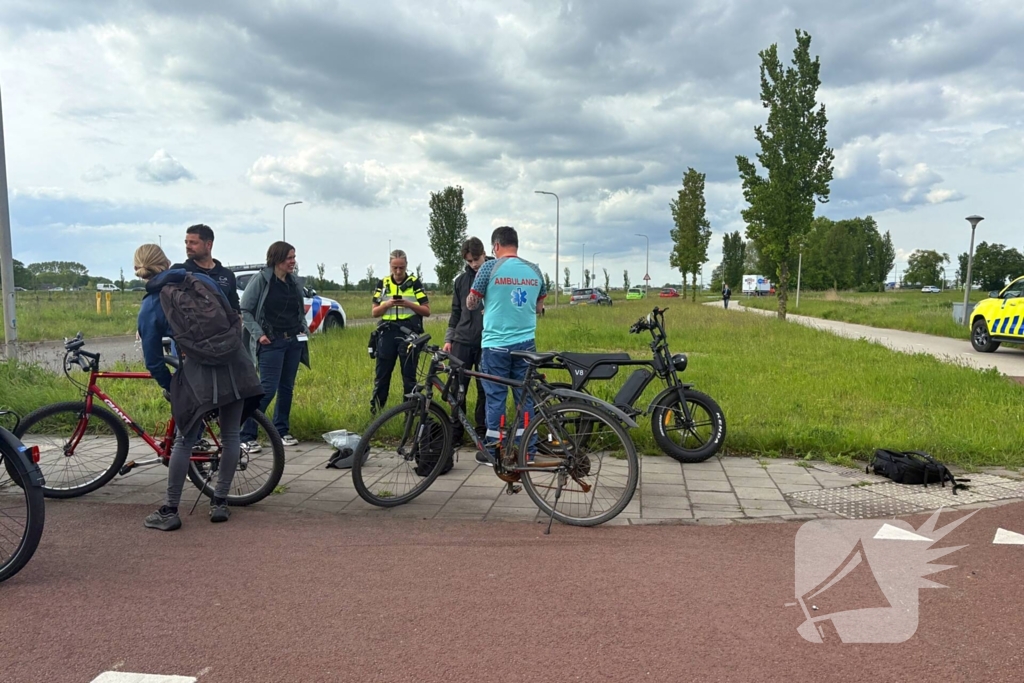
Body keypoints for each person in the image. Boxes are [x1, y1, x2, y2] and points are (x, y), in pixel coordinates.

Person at [134, 244, 263, 530]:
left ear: (138, 271)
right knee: (231, 435)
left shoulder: (150, 306)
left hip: (197, 372)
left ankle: (170, 510)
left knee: (184, 440)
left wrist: (171, 386)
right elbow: (232, 315)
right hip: (235, 362)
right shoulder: (200, 279)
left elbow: (154, 361)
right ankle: (219, 503)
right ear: (167, 262)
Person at [466, 226, 546, 465]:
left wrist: (481, 303)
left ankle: (495, 453)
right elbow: (539, 308)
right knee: (525, 399)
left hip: (496, 346)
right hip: (526, 346)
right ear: (516, 244)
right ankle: (528, 453)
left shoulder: (489, 268)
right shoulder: (535, 271)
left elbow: (471, 303)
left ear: (496, 246)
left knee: (495, 398)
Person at [239, 241, 310, 452]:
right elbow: (245, 310)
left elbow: (299, 309)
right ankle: (246, 434)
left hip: (293, 341)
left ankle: (281, 431)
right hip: (271, 342)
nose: (293, 261)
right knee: (267, 389)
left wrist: (303, 328)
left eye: (294, 257)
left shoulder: (293, 282)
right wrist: (259, 335)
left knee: (286, 388)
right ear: (277, 259)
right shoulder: (261, 280)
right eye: (289, 257)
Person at [370, 249, 430, 413]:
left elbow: (426, 310)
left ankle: (409, 413)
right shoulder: (382, 284)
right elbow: (374, 312)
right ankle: (376, 412)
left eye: (401, 268)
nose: (398, 271)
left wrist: (408, 304)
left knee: (409, 377)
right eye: (394, 267)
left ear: (406, 266)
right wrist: (387, 304)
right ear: (390, 266)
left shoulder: (414, 283)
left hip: (408, 333)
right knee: (382, 376)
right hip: (387, 333)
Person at [443, 237, 490, 444]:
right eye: (469, 261)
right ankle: (456, 432)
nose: (474, 264)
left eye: (476, 259)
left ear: (484, 253)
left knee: (485, 388)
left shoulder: (494, 275)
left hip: (486, 340)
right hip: (461, 340)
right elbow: (455, 312)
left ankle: (482, 430)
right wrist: (449, 339)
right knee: (457, 387)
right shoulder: (460, 281)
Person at [170, 223, 240, 314]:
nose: (187, 246)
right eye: (186, 242)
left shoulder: (227, 275)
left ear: (208, 245)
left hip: (221, 327)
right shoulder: (179, 271)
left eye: (193, 243)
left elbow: (235, 309)